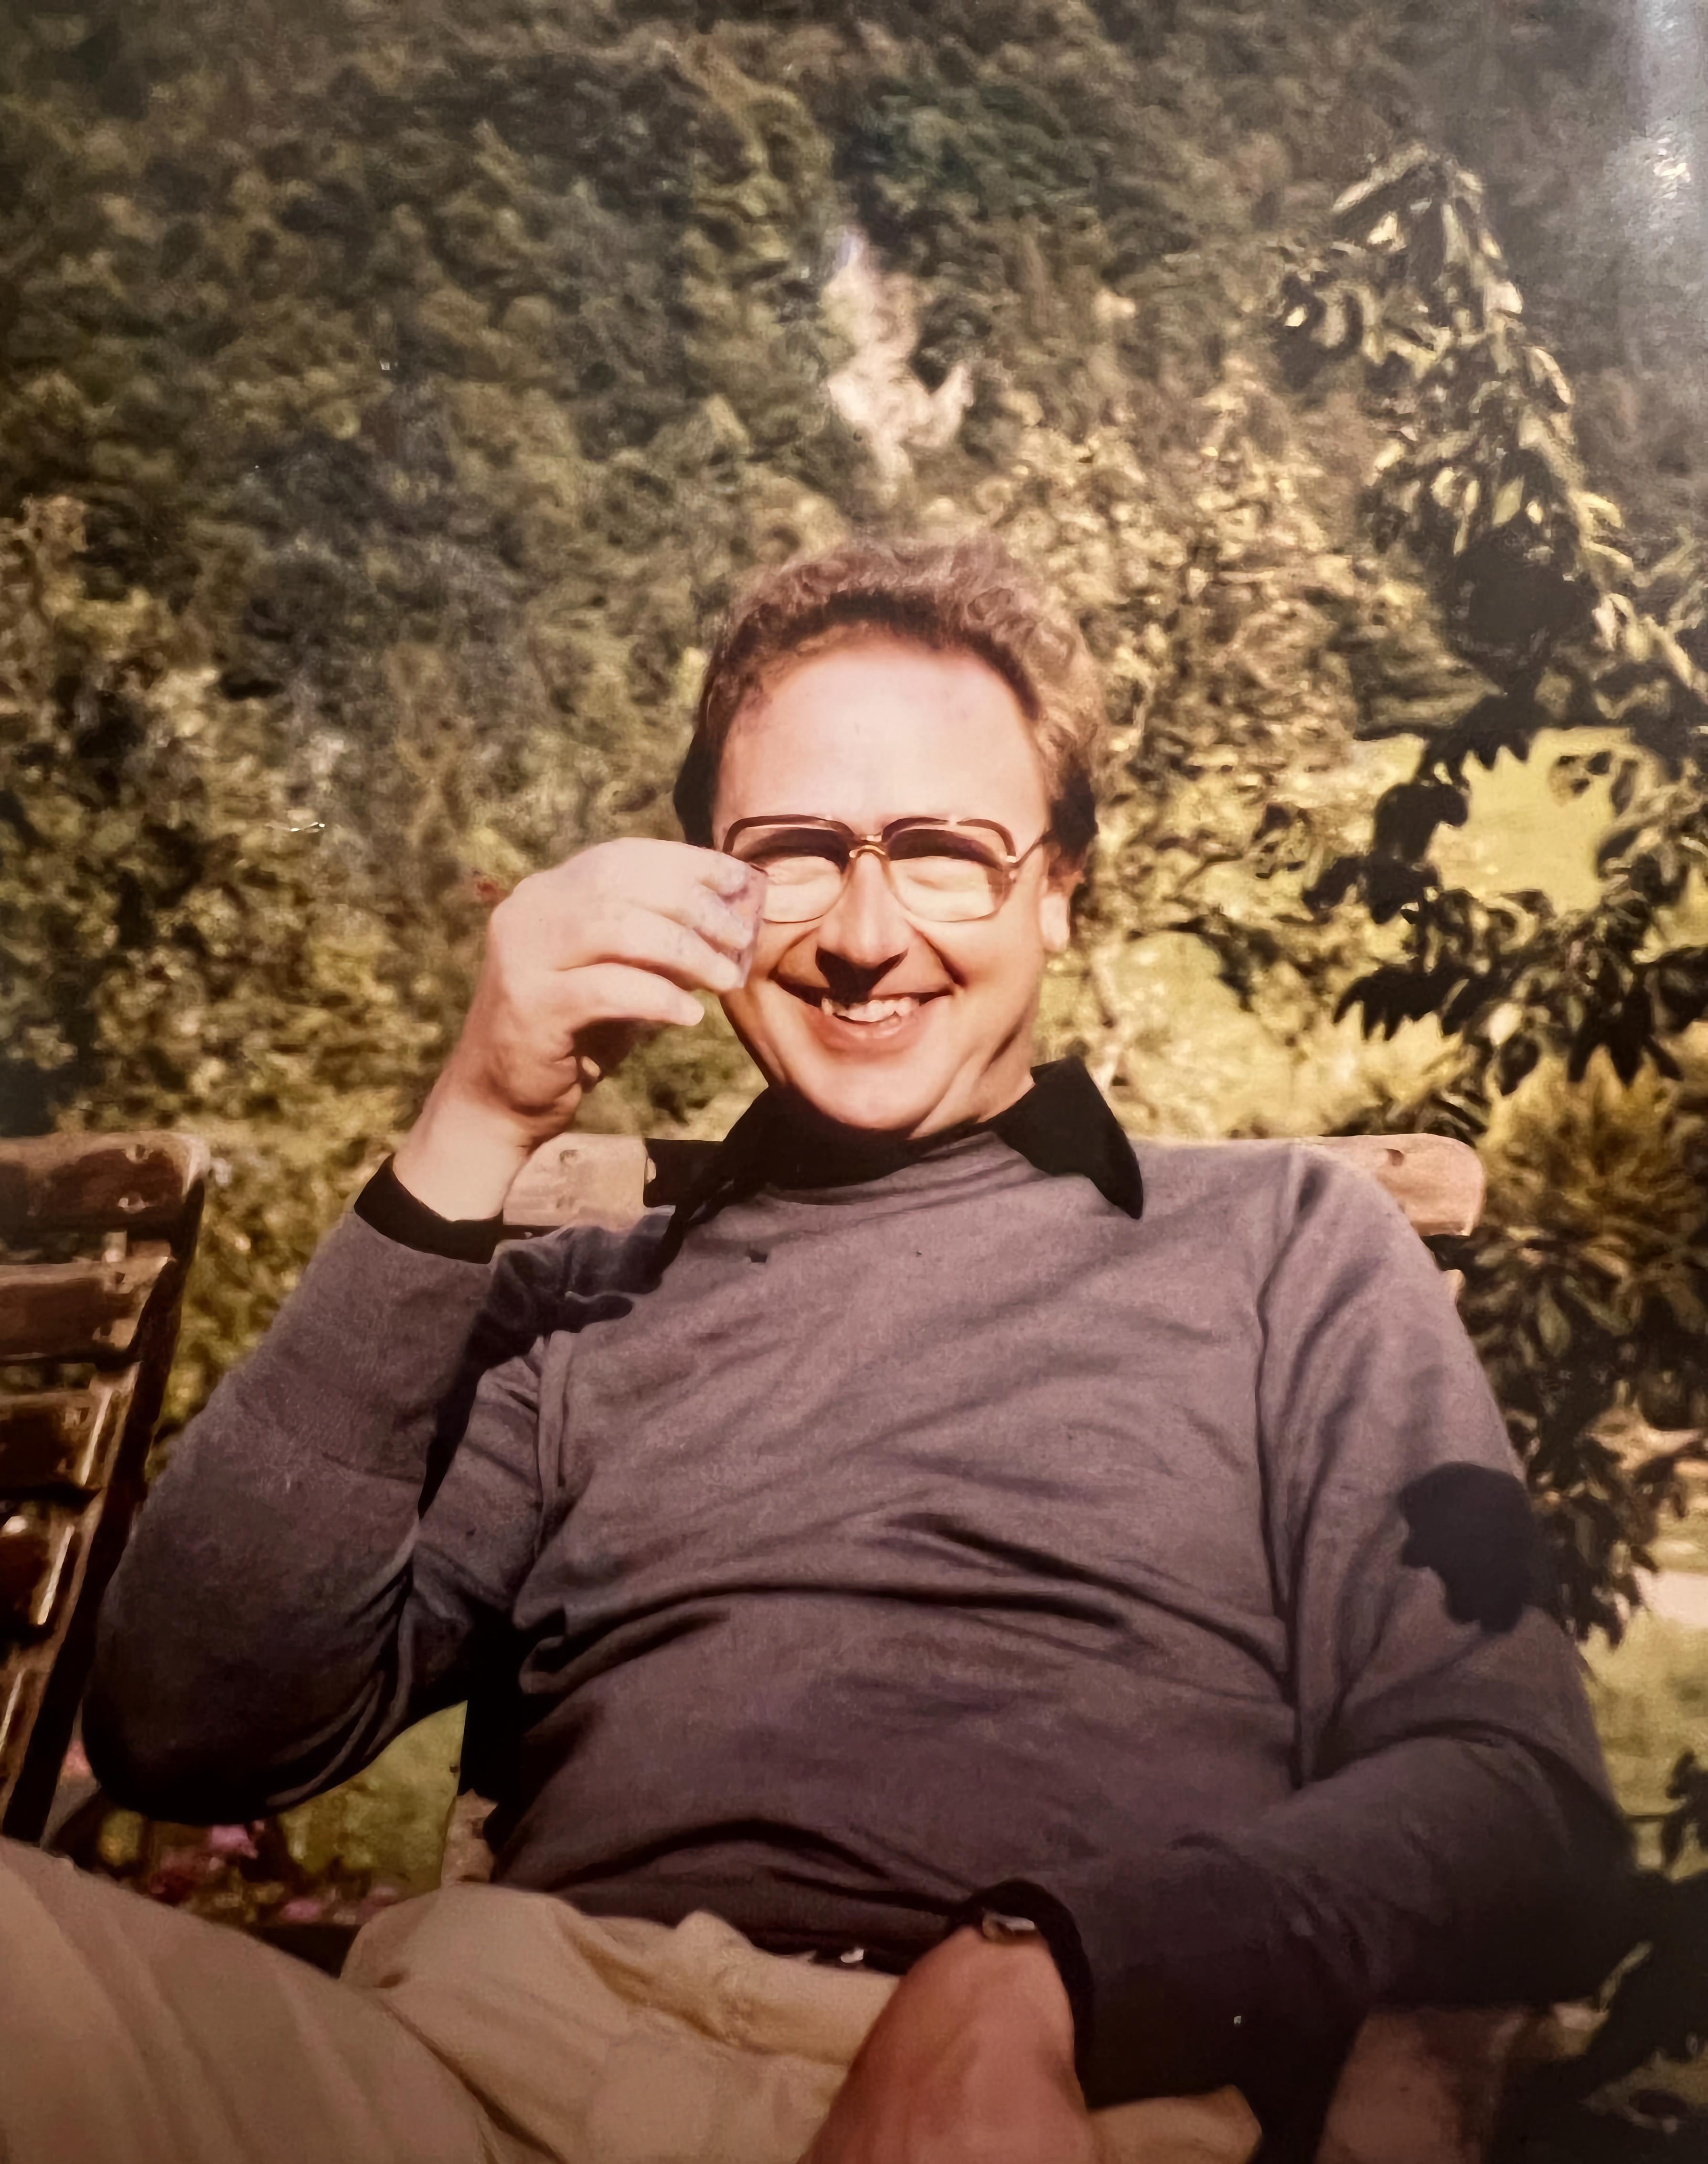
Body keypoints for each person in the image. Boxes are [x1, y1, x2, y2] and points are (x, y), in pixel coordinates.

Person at [1, 535, 1633, 2164]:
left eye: (943, 854)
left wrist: (1051, 1971)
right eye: (792, 854)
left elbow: (1518, 1800)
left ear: (1060, 887)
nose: (863, 933)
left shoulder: (1284, 1248)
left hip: (1044, 2096)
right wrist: (476, 1118)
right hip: (500, 2066)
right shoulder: (581, 1302)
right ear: (707, 889)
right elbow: (187, 1726)